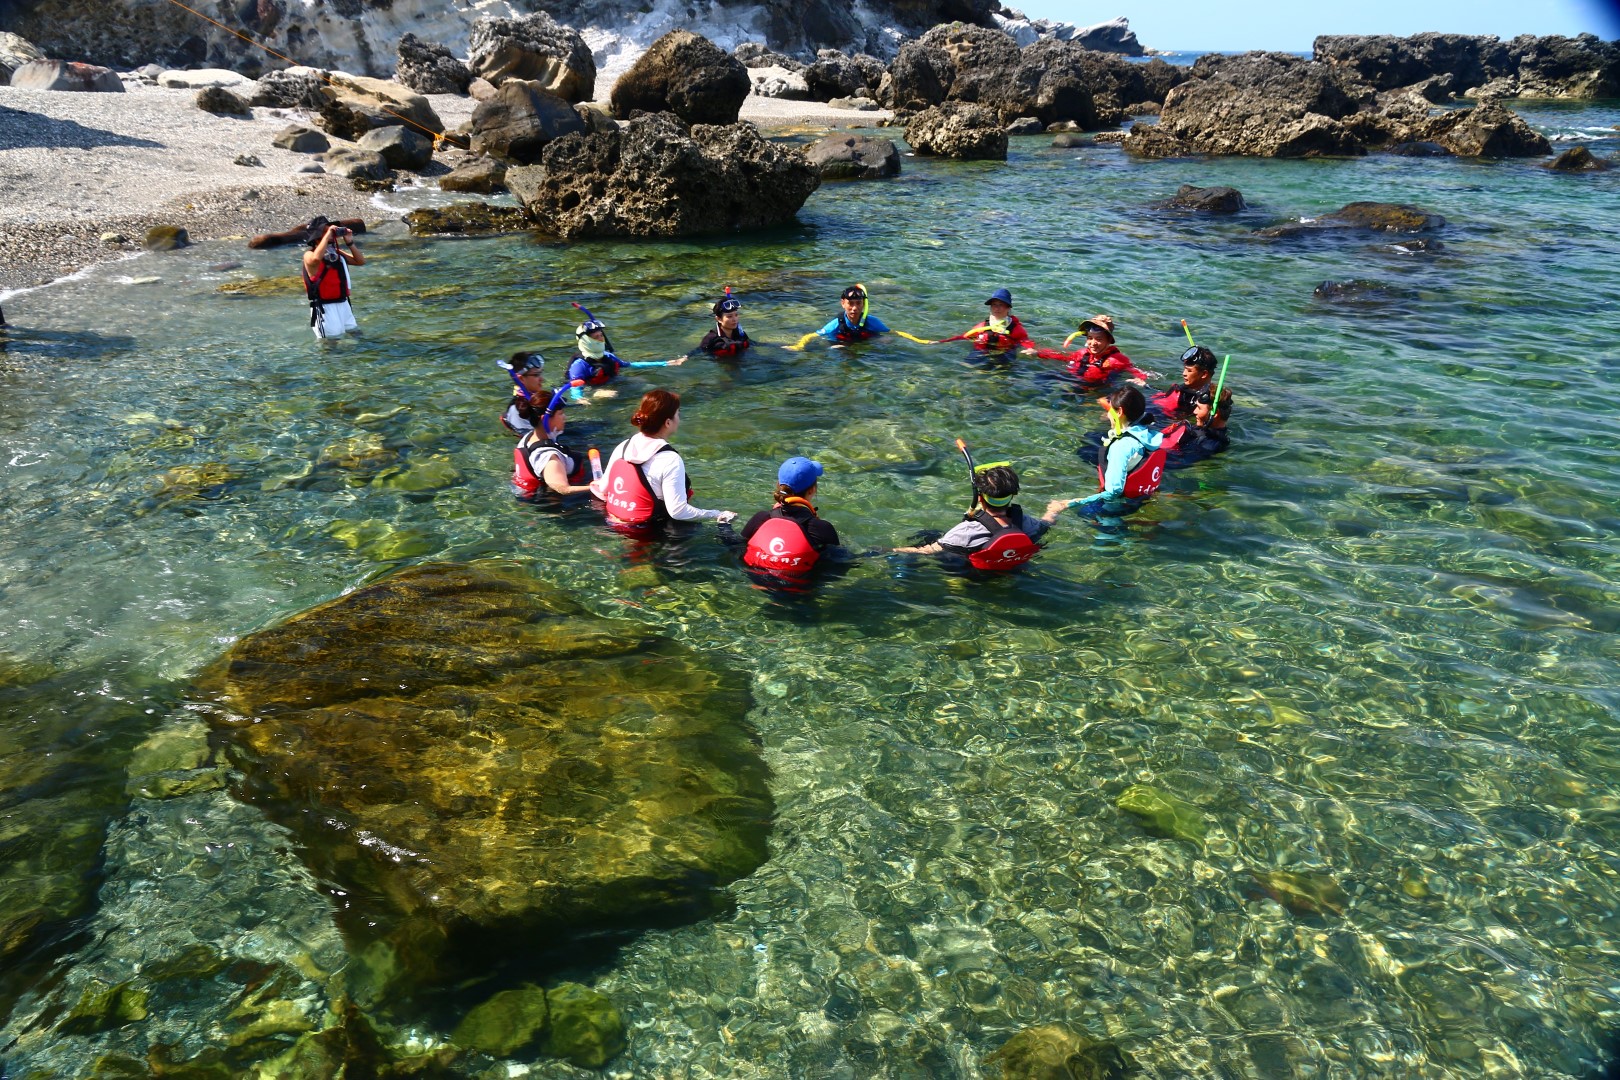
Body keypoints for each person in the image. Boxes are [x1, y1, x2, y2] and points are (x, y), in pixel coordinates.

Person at [590, 389, 736, 532]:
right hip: (647, 531)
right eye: (677, 414)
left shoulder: (623, 446)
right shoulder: (670, 459)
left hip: (613, 523)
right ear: (668, 422)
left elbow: (603, 489)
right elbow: (677, 511)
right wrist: (716, 514)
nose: (679, 418)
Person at [894, 461, 1060, 570]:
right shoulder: (1025, 522)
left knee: (928, 535)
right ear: (1013, 495)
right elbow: (1045, 524)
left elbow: (927, 551)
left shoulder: (966, 531)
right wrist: (1054, 510)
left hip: (973, 576)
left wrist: (886, 550)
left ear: (980, 498)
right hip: (1012, 568)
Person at [1054, 386, 1169, 519]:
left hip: (1120, 504)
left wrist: (1070, 503)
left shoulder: (1121, 446)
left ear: (1119, 412)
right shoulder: (1148, 435)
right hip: (1141, 496)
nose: (1108, 414)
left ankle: (1114, 530)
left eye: (1110, 409)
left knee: (1084, 514)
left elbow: (1114, 491)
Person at [740, 457, 841, 583]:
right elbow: (839, 565)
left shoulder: (761, 518)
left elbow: (735, 545)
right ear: (812, 490)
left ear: (778, 485)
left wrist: (724, 525)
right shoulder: (821, 528)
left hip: (756, 581)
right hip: (799, 588)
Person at [566, 313, 684, 401]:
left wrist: (665, 363)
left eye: (601, 335)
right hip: (592, 389)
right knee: (611, 394)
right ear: (586, 341)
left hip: (613, 382)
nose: (601, 339)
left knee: (642, 382)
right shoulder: (579, 365)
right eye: (596, 337)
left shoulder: (608, 356)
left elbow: (631, 365)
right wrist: (583, 398)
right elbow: (575, 389)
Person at [1151, 345, 1232, 458]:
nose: (1184, 373)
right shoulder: (1187, 393)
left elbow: (1177, 461)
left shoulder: (1208, 444)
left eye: (1189, 370)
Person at [511, 388, 594, 498]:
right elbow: (563, 489)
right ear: (544, 419)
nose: (565, 417)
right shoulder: (550, 458)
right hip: (561, 503)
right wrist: (597, 487)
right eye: (561, 413)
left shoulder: (528, 438)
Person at [1023, 314, 1147, 384]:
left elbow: (1133, 369)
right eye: (1090, 338)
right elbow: (1063, 356)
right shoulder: (1082, 353)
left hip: (1095, 389)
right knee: (1041, 378)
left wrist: (1140, 378)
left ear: (1109, 340)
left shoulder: (1116, 360)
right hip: (1074, 380)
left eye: (1099, 339)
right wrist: (1038, 352)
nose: (1093, 343)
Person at [301, 216, 365, 340]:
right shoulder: (308, 255)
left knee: (357, 335)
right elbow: (316, 259)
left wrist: (350, 242)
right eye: (325, 231)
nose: (331, 233)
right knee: (331, 344)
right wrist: (328, 235)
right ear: (317, 235)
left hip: (343, 304)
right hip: (325, 308)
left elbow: (360, 261)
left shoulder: (336, 253)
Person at [939, 288, 1034, 352]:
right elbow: (964, 337)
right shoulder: (982, 326)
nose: (997, 308)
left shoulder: (1015, 328)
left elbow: (1025, 341)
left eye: (1001, 305)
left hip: (1005, 354)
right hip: (981, 353)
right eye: (994, 305)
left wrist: (1030, 349)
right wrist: (941, 342)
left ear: (1008, 307)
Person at [817, 285, 891, 344]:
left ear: (864, 304)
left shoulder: (872, 321)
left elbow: (891, 332)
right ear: (843, 303)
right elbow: (815, 335)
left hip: (864, 343)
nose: (855, 308)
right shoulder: (837, 324)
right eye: (850, 303)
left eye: (858, 303)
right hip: (841, 343)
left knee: (887, 340)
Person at [498, 351, 549, 435]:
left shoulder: (537, 399)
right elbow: (532, 438)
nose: (542, 379)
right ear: (521, 379)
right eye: (536, 375)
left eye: (540, 373)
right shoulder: (518, 411)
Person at [696, 291, 752, 358]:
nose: (734, 319)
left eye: (736, 315)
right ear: (719, 319)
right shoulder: (711, 338)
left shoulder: (740, 333)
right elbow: (699, 350)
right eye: (729, 316)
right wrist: (686, 357)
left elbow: (750, 343)